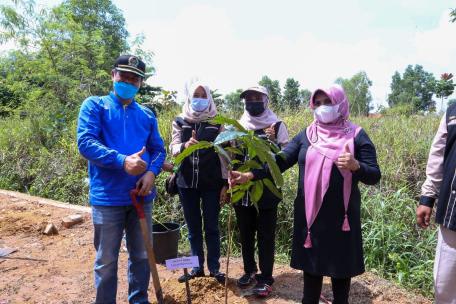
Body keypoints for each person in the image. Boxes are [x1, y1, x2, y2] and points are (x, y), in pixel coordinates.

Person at [230, 85, 381, 304]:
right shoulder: (308, 135)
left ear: (340, 104)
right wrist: (250, 175)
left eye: (327, 102)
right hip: (311, 218)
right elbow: (280, 161)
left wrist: (356, 165)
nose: (321, 108)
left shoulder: (357, 135)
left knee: (340, 278)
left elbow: (374, 175)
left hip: (342, 219)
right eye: (317, 103)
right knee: (311, 277)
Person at [77, 55, 166, 304]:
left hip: (141, 196)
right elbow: (85, 143)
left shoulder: (147, 115)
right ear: (113, 75)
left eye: (134, 78)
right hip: (108, 198)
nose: (128, 81)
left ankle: (138, 300)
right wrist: (121, 161)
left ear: (140, 83)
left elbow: (158, 150)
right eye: (123, 75)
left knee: (141, 255)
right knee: (106, 261)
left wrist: (151, 172)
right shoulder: (95, 106)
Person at [233, 86, 289, 297]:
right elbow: (233, 156)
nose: (252, 101)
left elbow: (285, 157)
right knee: (245, 234)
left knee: (266, 235)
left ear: (266, 100)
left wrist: (273, 143)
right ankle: (249, 271)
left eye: (257, 97)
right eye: (248, 98)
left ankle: (265, 277)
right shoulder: (238, 126)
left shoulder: (276, 125)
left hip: (267, 189)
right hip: (242, 188)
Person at [170, 82, 228, 284]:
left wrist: (225, 183)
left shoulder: (217, 123)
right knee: (193, 227)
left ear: (209, 98)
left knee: (211, 227)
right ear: (189, 97)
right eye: (196, 94)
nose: (200, 98)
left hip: (211, 184)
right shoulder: (180, 121)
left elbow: (224, 156)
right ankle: (196, 268)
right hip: (187, 183)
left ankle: (214, 268)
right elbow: (173, 146)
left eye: (204, 95)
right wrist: (185, 145)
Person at [417, 104, 456, 304]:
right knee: (444, 285)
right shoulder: (453, 112)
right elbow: (438, 155)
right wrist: (427, 197)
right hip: (453, 212)